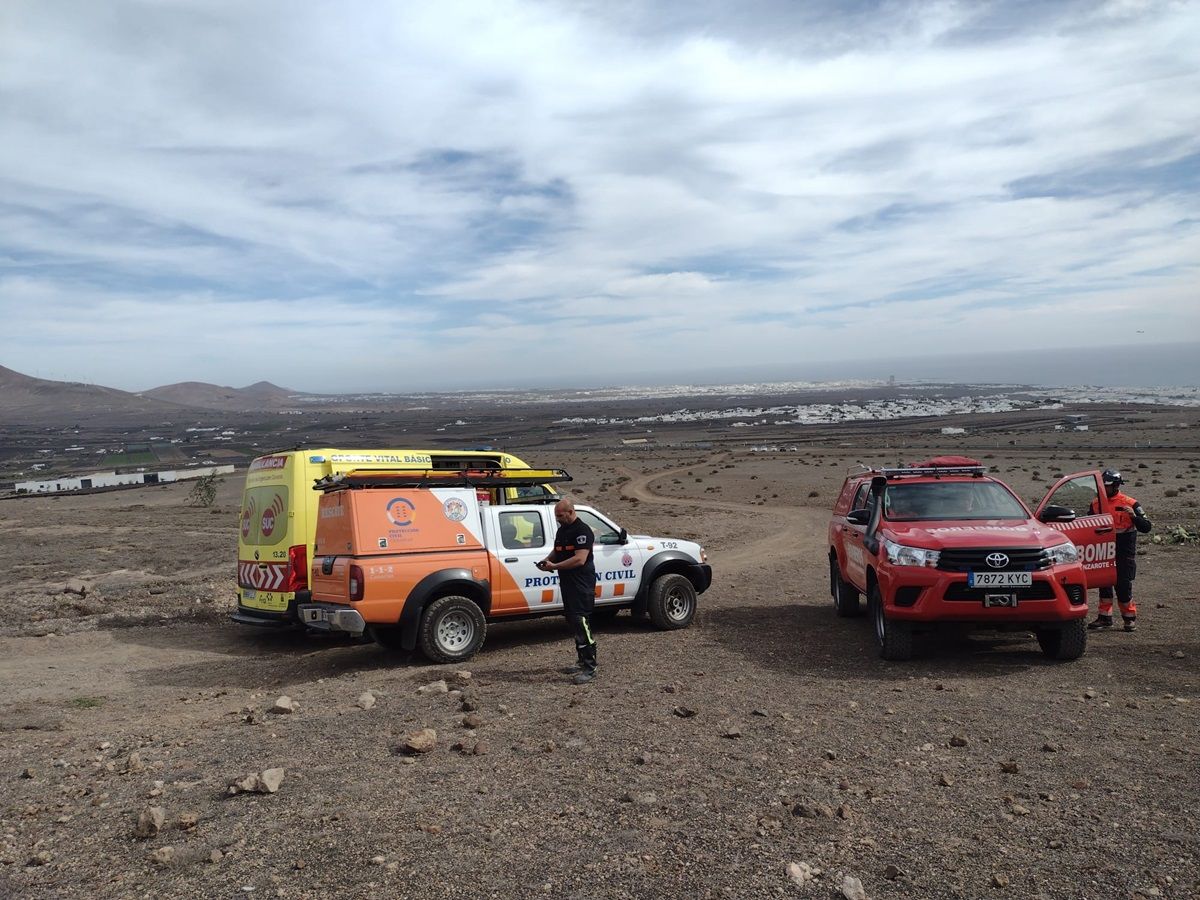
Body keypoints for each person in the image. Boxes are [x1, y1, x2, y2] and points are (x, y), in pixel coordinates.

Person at [537, 497, 598, 684]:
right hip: (567, 583)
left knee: (581, 622)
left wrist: (555, 565)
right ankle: (581, 661)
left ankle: (590, 666)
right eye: (556, 515)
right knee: (572, 621)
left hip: (581, 583)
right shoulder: (563, 530)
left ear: (571, 512)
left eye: (560, 515)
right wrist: (547, 561)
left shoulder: (583, 531)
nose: (557, 518)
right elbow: (558, 550)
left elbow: (580, 559)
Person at [1088, 469, 1152, 632]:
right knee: (1104, 583)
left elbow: (1146, 527)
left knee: (1123, 585)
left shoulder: (1130, 503)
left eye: (1106, 486)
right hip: (1103, 551)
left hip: (1124, 552)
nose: (1103, 489)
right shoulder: (1096, 503)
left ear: (1116, 486)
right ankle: (1104, 618)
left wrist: (1134, 517)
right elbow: (1088, 524)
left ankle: (1129, 619)